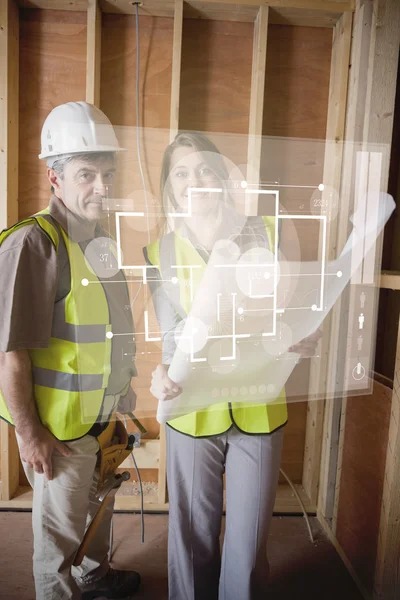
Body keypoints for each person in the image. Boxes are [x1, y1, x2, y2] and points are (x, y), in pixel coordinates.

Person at [145, 132, 321, 600]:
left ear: (221, 175)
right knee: (192, 538)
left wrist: (304, 337)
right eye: (181, 172)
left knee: (247, 544)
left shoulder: (271, 229)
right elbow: (171, 336)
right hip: (190, 410)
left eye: (204, 168)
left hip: (258, 405)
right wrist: (160, 373)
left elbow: (297, 313)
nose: (195, 180)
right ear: (170, 186)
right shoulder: (159, 252)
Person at [0, 102, 141, 600]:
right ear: (54, 178)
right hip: (57, 431)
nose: (102, 186)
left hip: (100, 419)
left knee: (97, 511)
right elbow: (10, 352)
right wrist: (29, 434)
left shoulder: (99, 240)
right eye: (87, 174)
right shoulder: (34, 245)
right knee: (56, 543)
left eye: (108, 173)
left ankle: (96, 580)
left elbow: (110, 326)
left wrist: (124, 388)